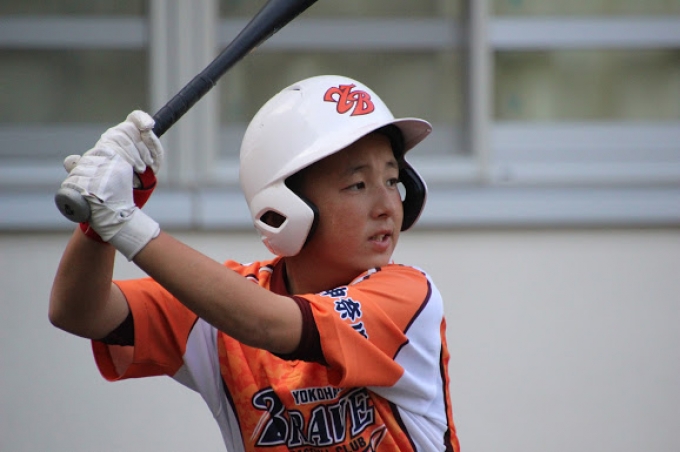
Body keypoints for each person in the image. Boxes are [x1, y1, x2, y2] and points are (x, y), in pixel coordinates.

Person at [49, 75, 460, 451]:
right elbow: (78, 311)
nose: (388, 205)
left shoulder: (407, 297)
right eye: (357, 185)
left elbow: (269, 324)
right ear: (284, 203)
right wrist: (97, 224)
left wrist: (124, 222)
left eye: (392, 180)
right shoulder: (223, 304)